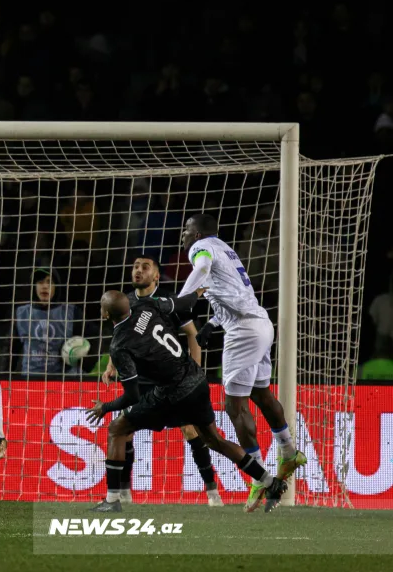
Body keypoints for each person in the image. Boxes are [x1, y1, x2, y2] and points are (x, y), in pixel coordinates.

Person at [86, 291, 288, 513]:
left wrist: (105, 407)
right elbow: (184, 303)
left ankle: (112, 499)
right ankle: (271, 483)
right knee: (214, 440)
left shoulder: (120, 344)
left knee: (117, 428)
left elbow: (132, 396)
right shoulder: (145, 306)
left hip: (171, 392)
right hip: (196, 378)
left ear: (105, 314)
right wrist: (198, 291)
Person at [179, 214, 306, 512]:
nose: (183, 236)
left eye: (186, 230)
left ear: (196, 234)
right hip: (260, 322)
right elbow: (233, 292)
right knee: (261, 394)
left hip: (243, 331)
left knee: (234, 406)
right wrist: (212, 323)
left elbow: (202, 267)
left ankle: (259, 475)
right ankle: (288, 450)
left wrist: (181, 299)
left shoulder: (200, 249)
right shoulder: (226, 248)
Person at [103, 255, 223, 506]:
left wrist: (196, 372)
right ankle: (124, 493)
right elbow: (120, 338)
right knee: (125, 431)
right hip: (140, 378)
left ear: (156, 275)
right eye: (135, 266)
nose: (138, 271)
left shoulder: (167, 300)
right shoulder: (126, 301)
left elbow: (192, 335)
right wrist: (111, 365)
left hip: (173, 378)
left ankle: (212, 491)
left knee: (191, 429)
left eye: (145, 267)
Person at [14, 268, 83, 376]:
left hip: (64, 378)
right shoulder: (22, 313)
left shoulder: (71, 312)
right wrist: (4, 377)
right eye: (40, 282)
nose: (45, 286)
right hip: (31, 378)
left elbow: (95, 338)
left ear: (56, 287)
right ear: (34, 287)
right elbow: (11, 347)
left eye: (49, 282)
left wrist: (82, 364)